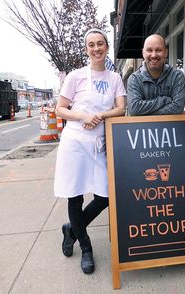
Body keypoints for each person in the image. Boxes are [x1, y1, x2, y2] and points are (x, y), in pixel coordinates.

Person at [54, 28, 126, 274]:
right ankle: (85, 247)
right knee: (75, 196)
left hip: (99, 144)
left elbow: (121, 108)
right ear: (86, 49)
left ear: (107, 47)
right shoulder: (75, 76)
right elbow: (60, 109)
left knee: (104, 197)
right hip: (74, 141)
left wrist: (99, 116)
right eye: (91, 45)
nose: (96, 49)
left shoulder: (115, 78)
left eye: (100, 44)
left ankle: (71, 230)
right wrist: (83, 115)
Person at [127, 34, 185, 115]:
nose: (154, 55)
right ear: (143, 53)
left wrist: (145, 112)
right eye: (149, 50)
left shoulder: (177, 76)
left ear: (166, 53)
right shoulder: (134, 79)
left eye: (158, 50)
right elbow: (134, 109)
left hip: (171, 127)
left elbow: (178, 108)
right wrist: (164, 100)